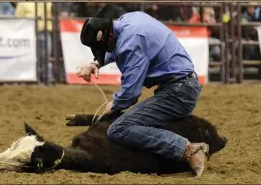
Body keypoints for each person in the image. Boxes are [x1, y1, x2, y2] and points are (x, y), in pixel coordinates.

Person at [77, 9, 208, 176]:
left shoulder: (132, 45)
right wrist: (95, 64)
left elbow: (130, 94)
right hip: (182, 85)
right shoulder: (129, 19)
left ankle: (189, 149)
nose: (106, 53)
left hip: (178, 92)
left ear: (109, 38)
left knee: (119, 129)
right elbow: (116, 46)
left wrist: (115, 105)